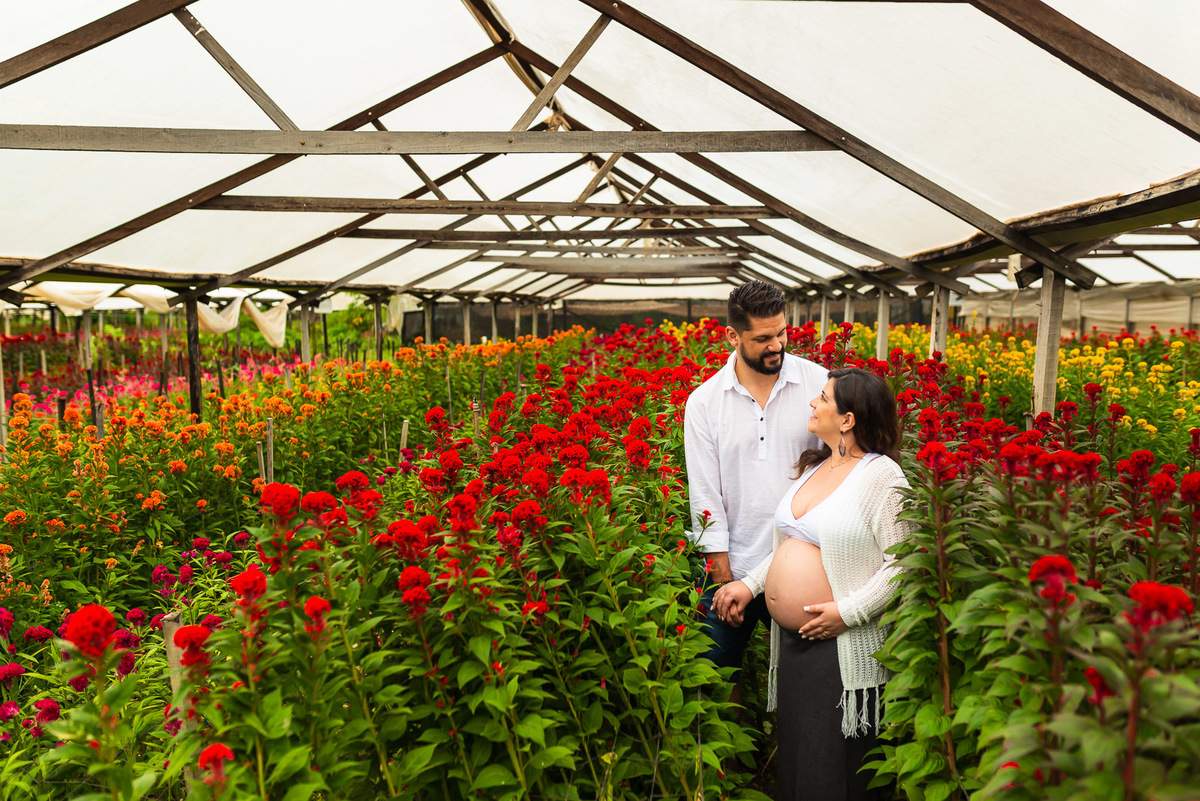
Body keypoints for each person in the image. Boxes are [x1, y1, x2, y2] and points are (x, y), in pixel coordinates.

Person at [713, 367, 913, 801]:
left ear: (847, 419)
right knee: (803, 757)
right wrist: (750, 585)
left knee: (835, 764)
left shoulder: (882, 477)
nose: (813, 403)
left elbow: (904, 564)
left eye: (823, 398)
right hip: (795, 644)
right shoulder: (817, 468)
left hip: (841, 644)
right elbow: (789, 546)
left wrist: (847, 613)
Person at [683, 281, 828, 677]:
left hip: (806, 563)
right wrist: (721, 575)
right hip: (737, 563)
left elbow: (839, 469)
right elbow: (705, 491)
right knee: (714, 672)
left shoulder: (819, 385)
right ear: (732, 335)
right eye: (762, 338)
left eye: (781, 332)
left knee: (807, 678)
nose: (777, 345)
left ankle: (789, 740)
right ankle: (738, 734)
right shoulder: (705, 402)